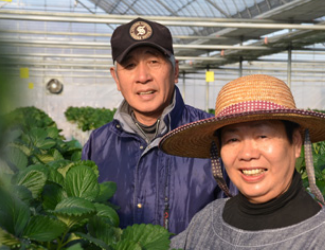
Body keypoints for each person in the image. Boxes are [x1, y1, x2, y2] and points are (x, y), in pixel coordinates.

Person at [161, 74, 325, 249]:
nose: (247, 154)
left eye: (263, 136)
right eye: (233, 139)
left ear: (297, 143)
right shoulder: (206, 220)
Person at [82, 17, 231, 234]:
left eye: (154, 61)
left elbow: (237, 226)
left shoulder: (211, 135)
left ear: (175, 70)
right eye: (130, 65)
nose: (143, 77)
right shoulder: (98, 144)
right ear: (116, 78)